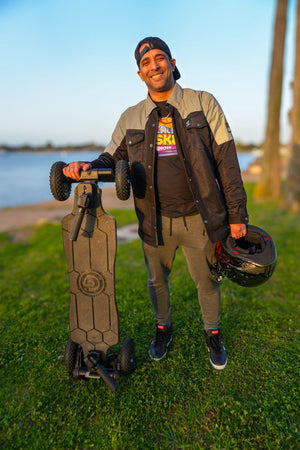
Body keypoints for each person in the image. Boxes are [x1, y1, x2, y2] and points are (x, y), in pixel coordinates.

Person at [63, 37, 248, 370]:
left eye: (159, 58)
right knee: (156, 281)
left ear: (172, 63)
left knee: (207, 281)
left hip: (200, 217)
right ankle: (163, 329)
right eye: (146, 62)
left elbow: (227, 160)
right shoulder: (130, 117)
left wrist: (237, 213)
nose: (154, 65)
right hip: (154, 220)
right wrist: (83, 169)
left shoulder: (203, 102)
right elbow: (109, 158)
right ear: (140, 73)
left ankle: (212, 333)